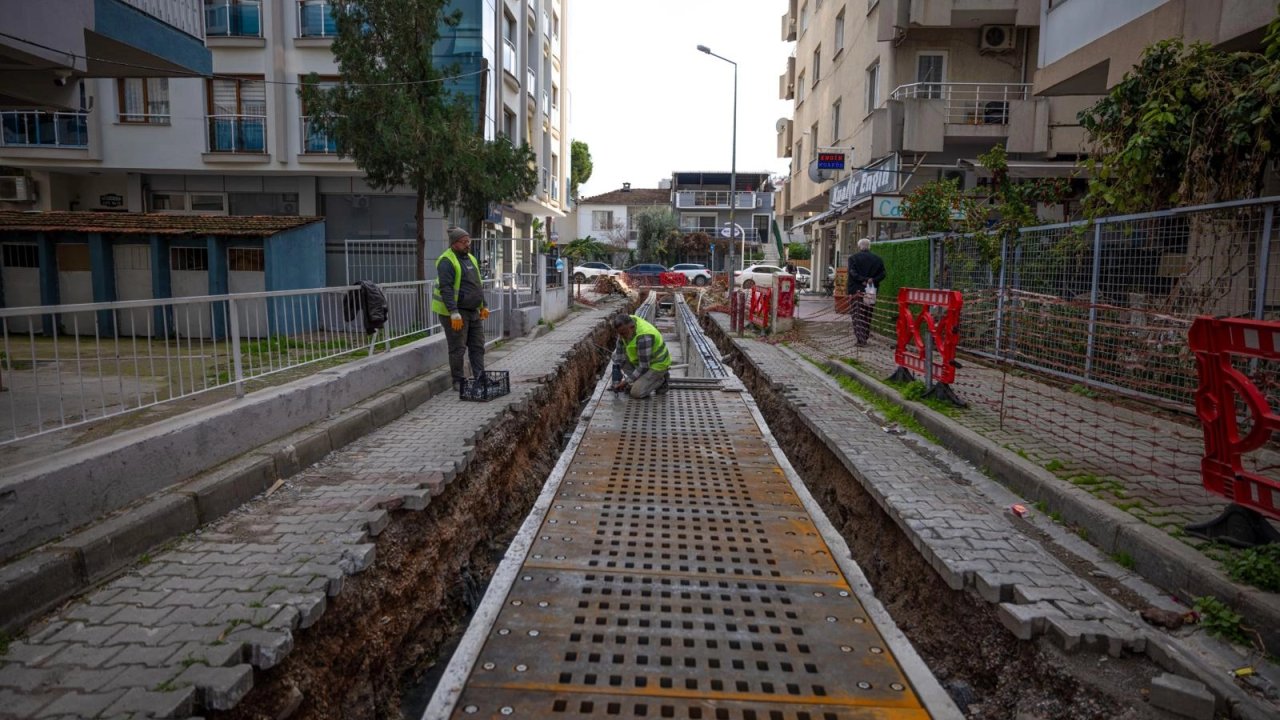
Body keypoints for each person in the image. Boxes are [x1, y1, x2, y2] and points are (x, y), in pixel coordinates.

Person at [431, 226, 490, 390]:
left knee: (478, 345)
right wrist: (453, 312)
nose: (467, 244)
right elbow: (446, 289)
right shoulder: (446, 261)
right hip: (456, 313)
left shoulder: (470, 258)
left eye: (468, 241)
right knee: (458, 348)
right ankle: (458, 381)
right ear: (454, 243)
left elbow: (477, 284)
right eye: (464, 242)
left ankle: (480, 377)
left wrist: (483, 304)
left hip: (473, 311)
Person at [610, 313, 671, 399]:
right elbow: (619, 352)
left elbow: (644, 366)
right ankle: (642, 381)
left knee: (636, 393)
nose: (621, 336)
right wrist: (616, 373)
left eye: (623, 333)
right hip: (642, 359)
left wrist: (626, 382)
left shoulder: (644, 337)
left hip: (657, 365)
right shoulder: (626, 322)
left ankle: (661, 380)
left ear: (632, 327)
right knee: (615, 355)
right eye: (619, 333)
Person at [847, 237, 886, 346]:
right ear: (869, 246)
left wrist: (863, 280)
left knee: (857, 314)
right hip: (871, 290)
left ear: (859, 246)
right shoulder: (877, 259)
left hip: (857, 290)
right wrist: (872, 280)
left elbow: (852, 273)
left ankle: (861, 339)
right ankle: (866, 336)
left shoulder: (853, 258)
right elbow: (883, 274)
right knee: (868, 313)